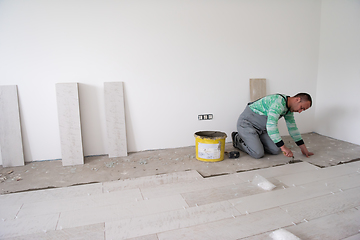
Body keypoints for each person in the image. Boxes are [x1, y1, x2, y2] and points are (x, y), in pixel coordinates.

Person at [232, 93, 314, 159]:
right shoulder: (278, 103)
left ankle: (255, 141)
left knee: (275, 150)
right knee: (258, 153)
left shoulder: (289, 109)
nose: (300, 111)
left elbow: (292, 128)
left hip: (262, 129)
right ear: (297, 99)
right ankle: (237, 138)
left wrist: (303, 148)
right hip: (247, 125)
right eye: (301, 108)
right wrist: (283, 147)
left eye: (303, 110)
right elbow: (271, 127)